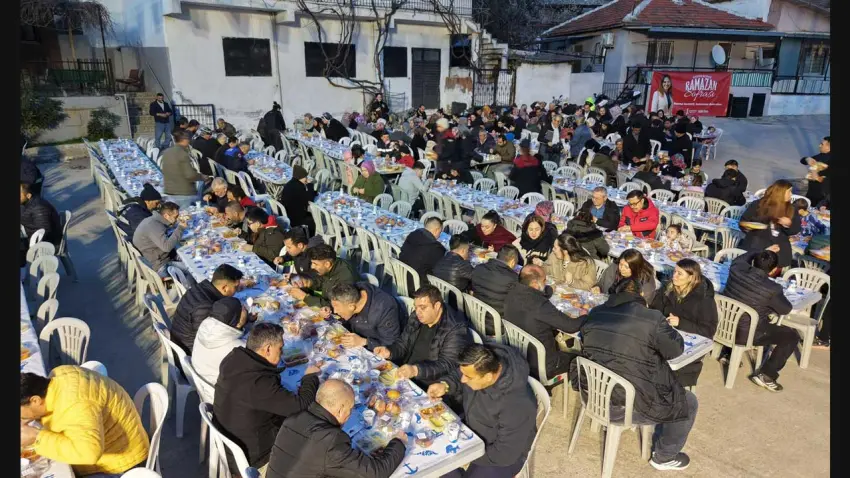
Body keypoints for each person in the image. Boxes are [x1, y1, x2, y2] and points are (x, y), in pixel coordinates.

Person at [576, 278, 697, 471]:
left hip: (594, 394)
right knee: (688, 401)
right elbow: (675, 349)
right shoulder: (653, 318)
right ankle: (664, 457)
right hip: (625, 404)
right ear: (641, 295)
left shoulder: (596, 312)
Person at [215, 323, 321, 473]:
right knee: (313, 432)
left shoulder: (233, 359)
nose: (282, 353)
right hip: (257, 455)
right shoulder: (258, 384)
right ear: (268, 349)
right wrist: (310, 377)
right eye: (280, 348)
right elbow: (301, 405)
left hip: (232, 436)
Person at [427, 343, 537, 478]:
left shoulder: (517, 405)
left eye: (468, 377)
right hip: (475, 430)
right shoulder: (483, 362)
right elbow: (460, 373)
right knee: (436, 459)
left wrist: (466, 455)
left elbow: (505, 454)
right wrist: (445, 385)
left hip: (501, 455)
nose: (463, 379)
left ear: (488, 377)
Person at [20, 368, 149, 476]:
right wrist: (34, 416)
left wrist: (36, 436)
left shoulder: (76, 404)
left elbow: (88, 454)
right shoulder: (57, 376)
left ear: (35, 400)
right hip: (109, 446)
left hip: (120, 463)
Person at [268, 380, 406, 478]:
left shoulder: (292, 418)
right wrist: (399, 443)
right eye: (350, 409)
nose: (350, 414)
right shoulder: (331, 441)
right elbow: (377, 472)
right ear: (340, 410)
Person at [722, 250, 797, 392]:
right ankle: (767, 375)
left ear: (753, 261)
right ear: (774, 270)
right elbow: (786, 309)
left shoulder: (736, 269)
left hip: (723, 325)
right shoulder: (773, 288)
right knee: (791, 336)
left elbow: (741, 258)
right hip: (746, 334)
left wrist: (758, 253)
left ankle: (727, 353)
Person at [373, 285, 469, 389]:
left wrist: (416, 370)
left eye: (423, 307)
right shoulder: (416, 316)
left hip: (430, 383)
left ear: (437, 306)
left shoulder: (454, 328)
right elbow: (403, 343)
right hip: (406, 373)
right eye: (416, 307)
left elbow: (446, 365)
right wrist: (390, 351)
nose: (418, 312)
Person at [505, 265, 584, 378]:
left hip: (519, 354)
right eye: (544, 280)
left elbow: (538, 292)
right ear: (535, 283)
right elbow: (571, 326)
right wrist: (585, 316)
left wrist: (550, 290)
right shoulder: (539, 304)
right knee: (581, 359)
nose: (546, 283)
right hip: (543, 365)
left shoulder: (512, 292)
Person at [650, 259, 718, 387]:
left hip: (691, 342)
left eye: (679, 273)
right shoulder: (668, 288)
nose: (674, 276)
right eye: (674, 272)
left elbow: (709, 330)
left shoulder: (703, 299)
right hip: (667, 334)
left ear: (691, 277)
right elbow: (654, 309)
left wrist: (681, 322)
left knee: (663, 363)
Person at [171, 264, 243, 355]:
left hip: (181, 337)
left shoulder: (200, 288)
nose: (236, 291)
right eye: (235, 287)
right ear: (225, 288)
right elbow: (208, 340)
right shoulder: (205, 307)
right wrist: (239, 325)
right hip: (189, 350)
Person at [739, 179, 801, 268]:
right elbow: (744, 221)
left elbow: (796, 229)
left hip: (779, 249)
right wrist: (748, 226)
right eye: (789, 191)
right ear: (780, 193)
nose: (791, 194)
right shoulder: (759, 204)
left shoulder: (791, 209)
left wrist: (788, 224)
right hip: (756, 244)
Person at [192, 296, 250, 385]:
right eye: (242, 308)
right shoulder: (237, 349)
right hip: (218, 388)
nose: (244, 308)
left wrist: (247, 322)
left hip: (202, 376)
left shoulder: (205, 325)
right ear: (238, 323)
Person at [329, 282, 402, 351]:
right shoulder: (352, 293)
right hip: (355, 341)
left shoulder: (384, 310)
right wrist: (327, 310)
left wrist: (364, 341)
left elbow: (391, 344)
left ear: (352, 307)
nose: (334, 311)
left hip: (378, 350)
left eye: (337, 307)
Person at [132, 201, 190, 278]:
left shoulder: (153, 220)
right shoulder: (153, 225)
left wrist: (174, 224)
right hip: (160, 266)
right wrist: (180, 228)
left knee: (189, 254)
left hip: (157, 257)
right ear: (166, 216)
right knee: (192, 268)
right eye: (175, 217)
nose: (177, 219)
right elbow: (167, 247)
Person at [290, 244, 357, 308]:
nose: (312, 266)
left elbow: (337, 307)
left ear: (327, 264)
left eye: (315, 264)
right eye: (312, 263)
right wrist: (309, 283)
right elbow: (323, 281)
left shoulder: (345, 278)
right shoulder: (330, 267)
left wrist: (305, 297)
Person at [469, 245, 520, 327]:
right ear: (512, 261)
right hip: (497, 326)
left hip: (475, 318)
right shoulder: (513, 279)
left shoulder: (479, 268)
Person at [19, 182, 63, 266]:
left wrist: (26, 238)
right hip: (33, 237)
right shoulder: (29, 203)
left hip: (46, 243)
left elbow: (44, 230)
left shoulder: (38, 207)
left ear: (28, 195)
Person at [161, 130, 207, 208]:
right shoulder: (182, 154)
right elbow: (190, 175)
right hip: (183, 192)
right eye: (188, 139)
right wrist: (202, 177)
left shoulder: (167, 152)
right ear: (184, 140)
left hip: (169, 190)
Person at [399, 215, 446, 286]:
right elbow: (439, 270)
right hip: (416, 285)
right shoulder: (436, 247)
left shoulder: (413, 234)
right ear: (437, 230)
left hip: (400, 275)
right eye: (440, 232)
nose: (439, 235)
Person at [281, 165, 317, 235]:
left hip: (288, 214)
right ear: (300, 177)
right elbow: (310, 199)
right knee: (314, 220)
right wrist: (310, 185)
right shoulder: (299, 187)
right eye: (305, 177)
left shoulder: (289, 184)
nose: (306, 179)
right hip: (296, 219)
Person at [801, 136, 830, 206]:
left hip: (824, 196)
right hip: (812, 192)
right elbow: (802, 160)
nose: (819, 146)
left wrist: (818, 178)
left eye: (822, 144)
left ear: (829, 147)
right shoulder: (820, 156)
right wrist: (807, 159)